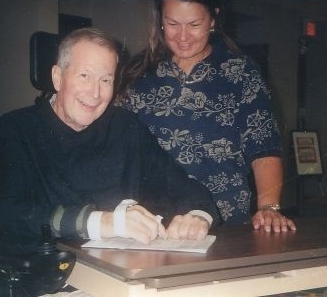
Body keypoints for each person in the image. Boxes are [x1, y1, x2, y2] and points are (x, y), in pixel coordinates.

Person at [0, 27, 221, 256]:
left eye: (106, 80)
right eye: (85, 76)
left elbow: (179, 184)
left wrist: (198, 216)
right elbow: (4, 213)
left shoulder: (125, 127)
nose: (95, 93)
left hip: (119, 273)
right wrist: (104, 222)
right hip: (43, 276)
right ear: (58, 78)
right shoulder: (17, 128)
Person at [116, 0, 296, 232]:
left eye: (194, 24)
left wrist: (269, 208)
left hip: (223, 221)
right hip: (152, 224)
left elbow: (264, 148)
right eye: (172, 23)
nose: (183, 36)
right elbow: (118, 148)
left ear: (212, 20)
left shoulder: (240, 72)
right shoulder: (137, 74)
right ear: (160, 20)